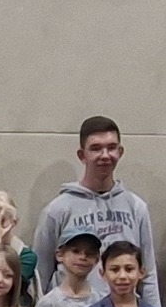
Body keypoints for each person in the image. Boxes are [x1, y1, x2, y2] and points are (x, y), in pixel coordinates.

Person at [33, 117, 156, 285]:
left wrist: (152, 304)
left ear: (120, 152)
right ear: (82, 155)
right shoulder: (57, 210)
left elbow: (148, 273)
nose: (105, 155)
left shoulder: (136, 207)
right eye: (96, 148)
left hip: (121, 302)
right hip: (70, 301)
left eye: (111, 148)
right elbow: (40, 274)